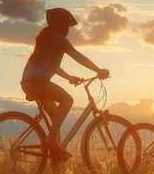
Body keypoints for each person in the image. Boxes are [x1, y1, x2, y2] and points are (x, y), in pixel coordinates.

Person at [21, 8, 109, 158]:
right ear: (61, 25)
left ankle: (56, 154)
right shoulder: (58, 39)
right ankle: (52, 139)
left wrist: (69, 77)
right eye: (67, 25)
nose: (68, 29)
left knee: (56, 115)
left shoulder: (46, 39)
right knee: (68, 100)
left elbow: (52, 65)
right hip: (37, 83)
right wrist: (98, 70)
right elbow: (79, 57)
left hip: (29, 82)